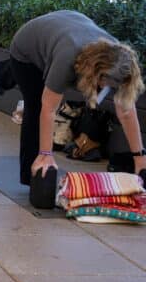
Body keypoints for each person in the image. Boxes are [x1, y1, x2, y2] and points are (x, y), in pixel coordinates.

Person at [9, 10, 145, 186]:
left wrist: (140, 157)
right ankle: (33, 174)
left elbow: (126, 111)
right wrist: (46, 154)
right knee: (35, 106)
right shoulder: (67, 58)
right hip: (27, 51)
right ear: (95, 70)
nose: (106, 88)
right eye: (104, 82)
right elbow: (48, 109)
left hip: (66, 30)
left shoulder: (120, 59)